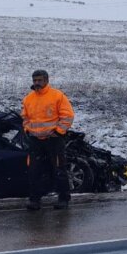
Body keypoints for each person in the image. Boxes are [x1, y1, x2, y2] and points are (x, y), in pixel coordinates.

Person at [22, 68, 75, 210]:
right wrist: (27, 129)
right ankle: (35, 200)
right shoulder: (28, 98)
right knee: (34, 170)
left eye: (40, 80)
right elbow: (25, 117)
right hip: (35, 141)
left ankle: (63, 198)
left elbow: (68, 115)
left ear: (46, 80)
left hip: (54, 140)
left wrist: (58, 132)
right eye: (35, 80)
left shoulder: (57, 96)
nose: (37, 83)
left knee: (58, 169)